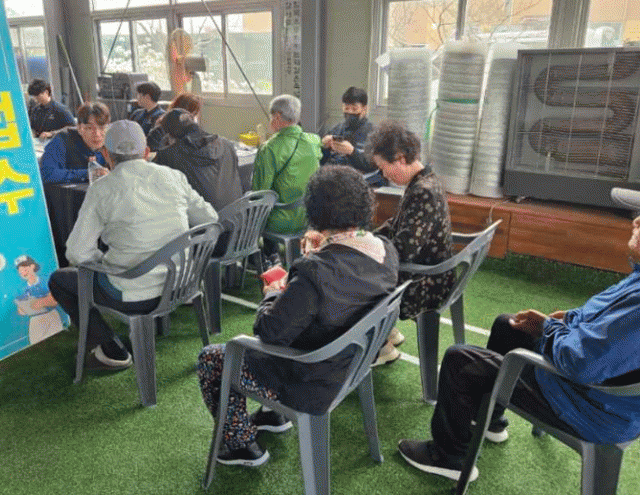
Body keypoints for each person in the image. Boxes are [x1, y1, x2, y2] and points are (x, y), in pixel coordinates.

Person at [397, 213, 640, 483]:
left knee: (459, 360)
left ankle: (448, 457)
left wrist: (548, 328)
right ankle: (490, 420)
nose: (637, 221)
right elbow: (598, 319)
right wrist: (566, 320)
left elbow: (579, 363)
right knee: (508, 326)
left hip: (590, 407)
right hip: (597, 394)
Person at [197, 165, 399, 466]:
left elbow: (269, 332)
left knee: (212, 358)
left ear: (315, 210)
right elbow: (340, 282)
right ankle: (273, 416)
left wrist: (273, 292)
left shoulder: (315, 272)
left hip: (309, 379)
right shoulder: (385, 249)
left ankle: (241, 444)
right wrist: (322, 249)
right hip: (351, 365)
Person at [48, 120, 218, 369]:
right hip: (182, 285)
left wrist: (103, 262)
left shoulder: (101, 189)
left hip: (133, 295)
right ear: (146, 152)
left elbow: (76, 253)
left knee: (60, 280)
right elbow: (209, 219)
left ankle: (110, 348)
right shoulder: (174, 176)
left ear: (106, 154)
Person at [367, 120, 454, 365]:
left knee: (358, 276)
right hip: (433, 272)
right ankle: (387, 330)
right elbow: (399, 225)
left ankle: (381, 345)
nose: (384, 175)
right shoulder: (426, 180)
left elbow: (404, 251)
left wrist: (366, 249)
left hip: (425, 283)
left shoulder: (422, 191)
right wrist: (367, 238)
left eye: (384, 167)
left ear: (400, 158)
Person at [251, 94, 322, 264]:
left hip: (280, 221)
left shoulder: (269, 148)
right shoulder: (314, 141)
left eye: (271, 117)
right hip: (307, 216)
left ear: (277, 117)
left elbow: (261, 193)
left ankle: (268, 257)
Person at [153, 108, 243, 211]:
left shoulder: (169, 154)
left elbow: (153, 182)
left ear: (170, 135)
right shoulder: (227, 145)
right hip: (237, 217)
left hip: (203, 219)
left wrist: (163, 147)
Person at [39, 102, 110, 184]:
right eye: (89, 128)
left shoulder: (112, 143)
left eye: (102, 128)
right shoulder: (63, 140)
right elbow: (46, 174)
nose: (97, 134)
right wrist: (89, 173)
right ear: (79, 128)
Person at [320, 87, 377, 178]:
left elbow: (373, 165)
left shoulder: (373, 133)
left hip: (359, 179)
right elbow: (321, 160)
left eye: (354, 109)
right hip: (333, 176)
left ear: (364, 109)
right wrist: (324, 147)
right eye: (346, 108)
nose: (350, 112)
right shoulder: (337, 129)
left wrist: (352, 152)